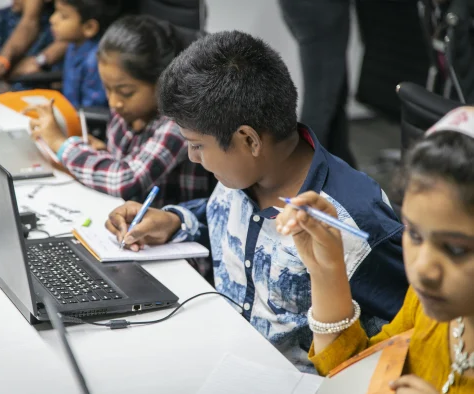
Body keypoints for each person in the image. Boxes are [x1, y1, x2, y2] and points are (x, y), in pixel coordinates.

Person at [104, 31, 408, 371]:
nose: (191, 156)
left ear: (248, 139)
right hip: (220, 357)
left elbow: (406, 337)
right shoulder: (243, 174)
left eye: (197, 145)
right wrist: (177, 220)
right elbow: (229, 224)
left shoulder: (355, 222)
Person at [276, 107, 474, 392]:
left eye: (455, 249)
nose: (422, 268)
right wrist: (326, 268)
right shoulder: (425, 304)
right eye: (415, 234)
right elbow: (355, 373)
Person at [27, 15, 210, 207]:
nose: (114, 103)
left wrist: (60, 143)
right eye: (107, 88)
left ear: (162, 81)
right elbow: (125, 161)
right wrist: (101, 153)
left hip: (170, 231)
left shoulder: (179, 124)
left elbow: (126, 180)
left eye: (126, 92)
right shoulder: (125, 111)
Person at [278, 0, 356, 168]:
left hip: (314, 9)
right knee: (321, 103)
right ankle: (304, 177)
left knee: (334, 95)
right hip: (319, 8)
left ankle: (344, 174)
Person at [47, 0, 121, 108]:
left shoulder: (95, 61)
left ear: (89, 27)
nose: (52, 19)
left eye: (63, 16)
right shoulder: (73, 45)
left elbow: (92, 109)